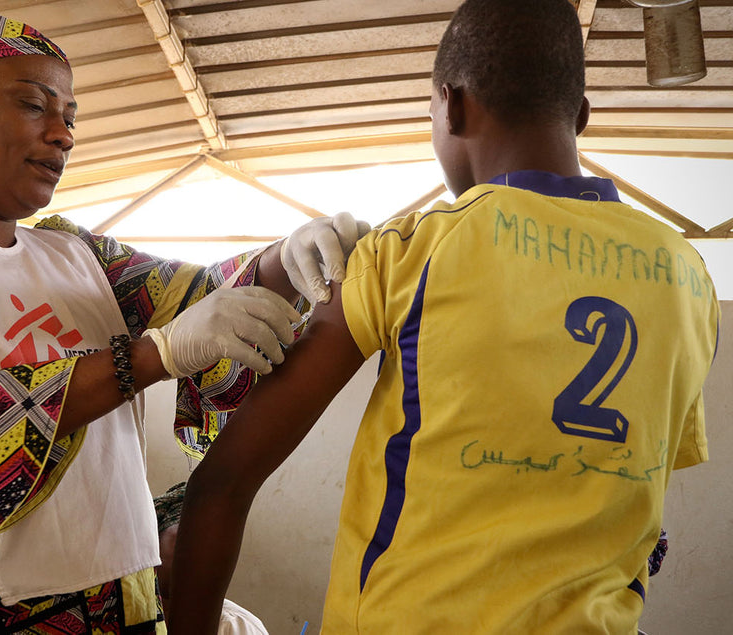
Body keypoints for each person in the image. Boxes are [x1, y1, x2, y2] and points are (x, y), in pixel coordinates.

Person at [0, 10, 369, 634]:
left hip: (119, 605)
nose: (63, 135)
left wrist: (285, 259)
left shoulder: (76, 255)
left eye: (69, 118)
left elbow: (202, 295)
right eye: (34, 105)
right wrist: (151, 357)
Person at [166, 0, 720, 632]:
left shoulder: (411, 250)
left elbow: (225, 481)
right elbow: (632, 489)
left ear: (451, 105)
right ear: (582, 117)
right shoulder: (687, 276)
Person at [154, 483, 269, 635]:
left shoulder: (236, 625)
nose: (197, 555)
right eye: (185, 541)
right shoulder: (123, 613)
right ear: (154, 543)